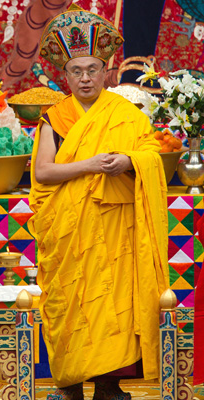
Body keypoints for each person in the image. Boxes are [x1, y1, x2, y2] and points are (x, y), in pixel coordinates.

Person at [30, 7, 169, 400]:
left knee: (114, 302)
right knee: (72, 302)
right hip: (69, 231)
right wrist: (90, 164)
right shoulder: (54, 118)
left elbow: (151, 156)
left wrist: (128, 162)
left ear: (106, 71)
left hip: (114, 232)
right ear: (66, 74)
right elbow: (42, 173)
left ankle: (110, 383)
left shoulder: (126, 113)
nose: (86, 78)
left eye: (92, 69)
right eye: (77, 71)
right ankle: (71, 380)